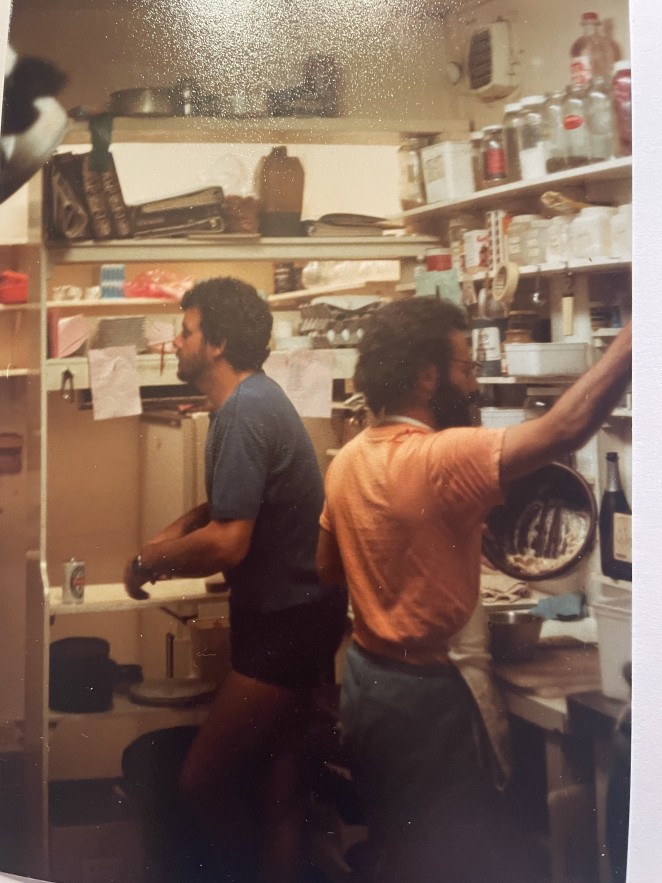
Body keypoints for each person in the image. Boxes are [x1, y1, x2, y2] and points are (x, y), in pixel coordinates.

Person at [316, 297, 632, 882]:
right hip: (428, 701)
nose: (473, 384)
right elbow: (566, 428)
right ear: (427, 377)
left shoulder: (348, 460)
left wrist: (420, 549)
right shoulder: (440, 457)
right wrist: (636, 338)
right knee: (447, 862)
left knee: (400, 849)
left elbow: (330, 570)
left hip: (367, 686)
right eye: (465, 368)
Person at [123, 277, 348, 883]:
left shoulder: (245, 413)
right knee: (277, 786)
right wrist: (170, 537)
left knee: (201, 780)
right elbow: (228, 507)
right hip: (297, 613)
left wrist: (149, 561)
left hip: (287, 624)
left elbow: (229, 541)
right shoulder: (251, 401)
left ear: (218, 343)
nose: (177, 342)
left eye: (187, 331)